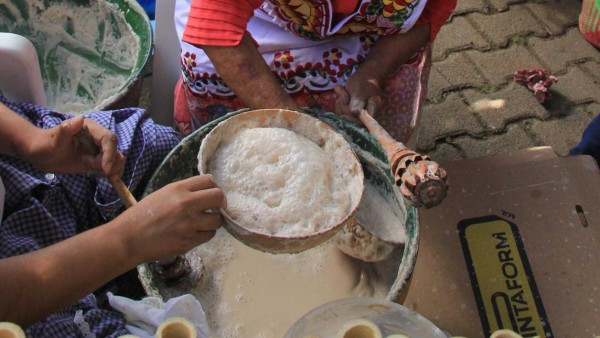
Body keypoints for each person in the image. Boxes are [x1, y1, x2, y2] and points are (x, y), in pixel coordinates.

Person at [0, 96, 225, 336]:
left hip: (15, 169)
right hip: (18, 296)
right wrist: (131, 237)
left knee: (157, 146)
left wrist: (30, 142)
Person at [173, 0, 456, 142]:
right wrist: (293, 121)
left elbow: (430, 12)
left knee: (395, 88)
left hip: (371, 28)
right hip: (262, 21)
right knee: (209, 74)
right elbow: (216, 27)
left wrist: (373, 73)